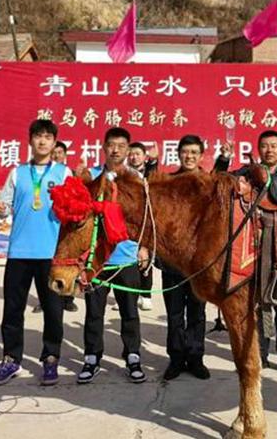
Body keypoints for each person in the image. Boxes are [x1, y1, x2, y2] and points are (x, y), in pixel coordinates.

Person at [216, 130, 277, 380]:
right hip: (255, 247)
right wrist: (224, 159)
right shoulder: (248, 174)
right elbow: (219, 180)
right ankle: (261, 355)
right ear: (259, 149)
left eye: (274, 145)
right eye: (264, 146)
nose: (269, 150)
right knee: (258, 303)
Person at [0, 119, 72, 386]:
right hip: (19, 252)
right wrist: (0, 210)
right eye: (38, 136)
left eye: (48, 137)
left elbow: (74, 211)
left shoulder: (64, 173)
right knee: (13, 310)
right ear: (30, 141)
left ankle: (50, 358)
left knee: (53, 311)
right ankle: (11, 359)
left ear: (54, 142)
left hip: (51, 254)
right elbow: (4, 206)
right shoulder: (17, 173)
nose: (42, 141)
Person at [78, 127, 146, 385]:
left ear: (128, 149)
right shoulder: (91, 177)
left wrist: (144, 247)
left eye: (121, 145)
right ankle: (92, 358)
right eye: (111, 145)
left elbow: (143, 218)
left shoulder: (136, 179)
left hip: (126, 257)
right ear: (104, 147)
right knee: (94, 313)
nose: (116, 150)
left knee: (130, 312)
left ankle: (133, 356)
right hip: (97, 261)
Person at [158, 135, 214, 381]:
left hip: (198, 262)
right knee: (174, 313)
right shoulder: (169, 182)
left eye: (194, 152)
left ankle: (196, 357)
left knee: (197, 313)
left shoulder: (208, 183)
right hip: (173, 260)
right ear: (178, 154)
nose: (189, 156)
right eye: (185, 152)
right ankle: (176, 358)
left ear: (201, 156)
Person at [126, 141, 158, 312]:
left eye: (137, 154)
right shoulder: (124, 173)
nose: (134, 157)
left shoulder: (148, 172)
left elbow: (153, 175)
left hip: (146, 220)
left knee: (145, 259)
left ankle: (146, 295)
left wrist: (153, 162)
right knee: (128, 261)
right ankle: (127, 295)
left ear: (144, 156)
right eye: (131, 154)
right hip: (128, 222)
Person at [50, 140, 78, 313]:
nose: (56, 155)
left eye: (60, 153)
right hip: (50, 227)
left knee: (68, 264)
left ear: (65, 155)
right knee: (50, 266)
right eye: (54, 153)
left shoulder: (70, 174)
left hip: (67, 227)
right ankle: (47, 299)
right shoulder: (45, 174)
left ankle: (69, 299)